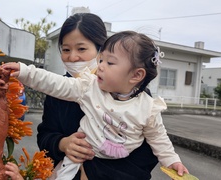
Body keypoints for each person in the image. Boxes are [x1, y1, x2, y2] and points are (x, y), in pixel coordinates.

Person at [2, 30, 190, 180]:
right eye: (101, 59)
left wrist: (172, 161)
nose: (100, 66)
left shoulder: (148, 108)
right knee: (60, 175)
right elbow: (55, 83)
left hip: (120, 165)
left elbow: (159, 139)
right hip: (81, 156)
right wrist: (25, 71)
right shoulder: (89, 87)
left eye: (110, 62)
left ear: (136, 75)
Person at [38, 13, 158, 180]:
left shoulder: (133, 93)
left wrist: (93, 171)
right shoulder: (57, 91)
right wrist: (61, 143)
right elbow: (44, 135)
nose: (72, 57)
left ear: (101, 51)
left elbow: (149, 152)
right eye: (66, 49)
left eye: (81, 49)